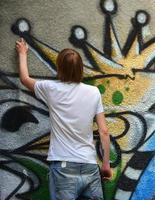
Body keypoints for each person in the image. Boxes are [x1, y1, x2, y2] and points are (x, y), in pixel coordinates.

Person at [15, 38, 112, 200]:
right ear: (81, 68)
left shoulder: (51, 89)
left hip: (63, 167)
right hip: (89, 165)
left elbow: (25, 79)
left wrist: (22, 53)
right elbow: (104, 131)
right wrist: (106, 164)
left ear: (59, 67)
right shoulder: (94, 92)